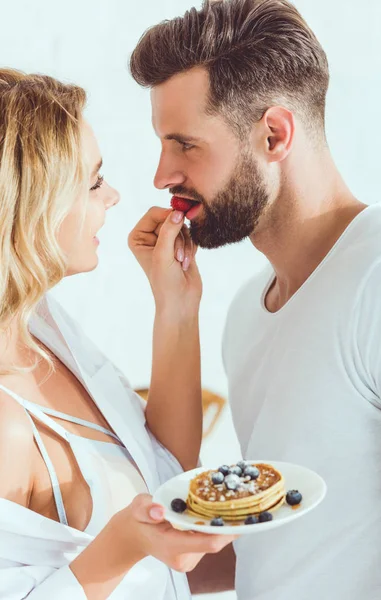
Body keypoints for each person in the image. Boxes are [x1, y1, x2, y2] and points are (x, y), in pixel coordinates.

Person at [129, 0, 381, 598]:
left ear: (273, 134)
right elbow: (289, 540)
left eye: (185, 145)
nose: (162, 173)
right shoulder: (247, 313)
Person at [0, 68, 236, 600]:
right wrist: (125, 544)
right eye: (93, 181)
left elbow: (165, 468)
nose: (115, 196)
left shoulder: (45, 330)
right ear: (30, 205)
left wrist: (175, 305)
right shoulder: (7, 427)